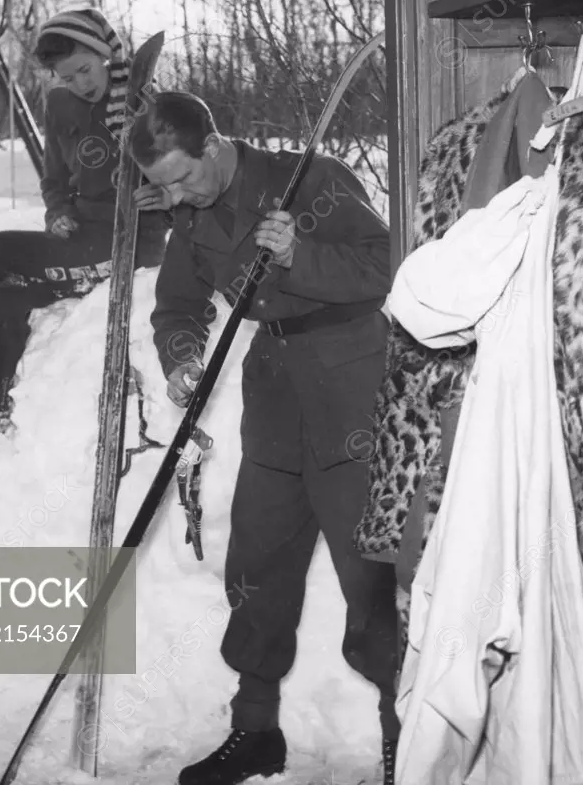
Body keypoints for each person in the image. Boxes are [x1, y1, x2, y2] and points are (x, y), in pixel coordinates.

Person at [128, 91, 400, 785]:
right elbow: (178, 308)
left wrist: (300, 254)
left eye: (185, 177)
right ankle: (256, 732)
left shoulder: (312, 178)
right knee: (257, 572)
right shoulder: (188, 218)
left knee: (373, 578)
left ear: (214, 145)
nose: (179, 197)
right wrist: (184, 357)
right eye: (164, 188)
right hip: (276, 395)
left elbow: (386, 267)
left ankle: (409, 738)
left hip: (351, 390)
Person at [0, 7, 167, 449]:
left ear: (105, 55)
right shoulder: (59, 106)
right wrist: (57, 213)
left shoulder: (146, 104)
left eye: (85, 70)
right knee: (6, 296)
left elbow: (186, 179)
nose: (81, 83)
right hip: (80, 238)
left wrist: (165, 198)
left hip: (130, 245)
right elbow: (54, 179)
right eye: (67, 76)